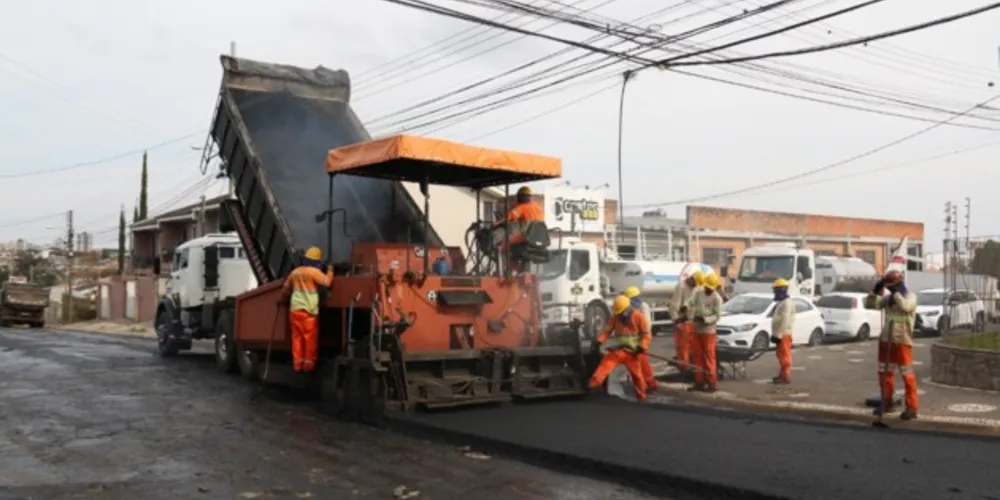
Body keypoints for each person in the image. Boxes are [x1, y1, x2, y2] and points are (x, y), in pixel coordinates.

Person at [867, 269, 919, 420]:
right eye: (888, 287)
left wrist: (895, 294)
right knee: (884, 374)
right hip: (886, 340)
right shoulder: (888, 299)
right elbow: (870, 304)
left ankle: (912, 407)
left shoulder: (910, 297)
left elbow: (905, 307)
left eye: (891, 287)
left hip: (902, 341)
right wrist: (875, 291)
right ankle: (887, 402)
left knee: (907, 376)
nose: (890, 289)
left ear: (898, 285)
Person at [279, 246, 334, 373]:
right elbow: (327, 283)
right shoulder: (314, 272)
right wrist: (330, 271)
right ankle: (309, 365)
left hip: (295, 310)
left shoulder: (295, 272)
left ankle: (297, 364)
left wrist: (281, 300)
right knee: (309, 338)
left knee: (297, 338)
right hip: (309, 312)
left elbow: (285, 289)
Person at [589, 295, 653, 401]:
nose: (621, 315)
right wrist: (599, 341)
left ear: (628, 308)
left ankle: (642, 396)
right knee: (605, 366)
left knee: (637, 375)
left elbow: (646, 335)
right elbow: (607, 331)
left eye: (622, 312)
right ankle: (593, 386)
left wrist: (642, 347)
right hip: (619, 350)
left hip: (633, 352)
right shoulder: (615, 317)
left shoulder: (638, 317)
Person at [494, 186, 544, 271]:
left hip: (526, 237)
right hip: (540, 237)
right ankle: (518, 264)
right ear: (530, 197)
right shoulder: (539, 208)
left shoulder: (521, 207)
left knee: (502, 245)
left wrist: (496, 223)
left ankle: (513, 268)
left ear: (520, 198)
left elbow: (508, 217)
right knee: (513, 243)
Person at [687, 273, 723, 393]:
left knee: (709, 357)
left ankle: (712, 383)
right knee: (697, 356)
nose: (708, 290)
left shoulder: (717, 298)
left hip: (708, 331)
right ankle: (699, 382)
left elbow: (717, 316)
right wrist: (685, 307)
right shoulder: (698, 293)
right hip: (697, 329)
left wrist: (705, 319)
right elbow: (690, 302)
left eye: (710, 288)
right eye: (707, 287)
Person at [668, 270, 703, 371]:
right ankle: (683, 366)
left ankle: (685, 364)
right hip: (681, 321)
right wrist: (676, 319)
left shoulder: (696, 288)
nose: (696, 285)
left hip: (690, 320)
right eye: (695, 283)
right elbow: (674, 305)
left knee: (689, 346)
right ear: (692, 279)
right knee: (682, 346)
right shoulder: (681, 286)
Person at [624, 285, 657, 390]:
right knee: (636, 361)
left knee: (641, 360)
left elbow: (646, 325)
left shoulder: (643, 306)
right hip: (633, 338)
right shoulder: (629, 308)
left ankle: (649, 384)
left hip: (643, 337)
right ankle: (642, 383)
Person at [769, 278, 795, 384]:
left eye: (776, 290)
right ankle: (783, 375)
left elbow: (784, 320)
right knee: (780, 355)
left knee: (784, 355)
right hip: (781, 333)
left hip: (784, 334)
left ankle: (785, 376)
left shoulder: (787, 303)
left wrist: (778, 335)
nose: (774, 292)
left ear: (781, 290)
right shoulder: (782, 302)